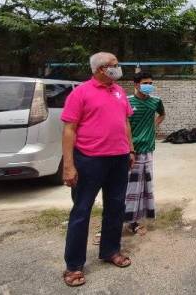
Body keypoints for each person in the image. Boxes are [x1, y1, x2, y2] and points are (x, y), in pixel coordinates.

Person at [61, 52, 135, 287]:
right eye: (114, 65)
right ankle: (73, 266)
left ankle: (110, 251)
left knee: (115, 207)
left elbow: (125, 122)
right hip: (90, 161)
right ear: (101, 69)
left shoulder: (119, 91)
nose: (118, 68)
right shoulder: (80, 93)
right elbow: (69, 129)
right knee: (81, 211)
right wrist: (69, 165)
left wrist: (130, 150)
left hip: (119, 160)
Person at [124, 72, 165, 235]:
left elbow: (162, 115)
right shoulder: (127, 102)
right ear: (136, 84)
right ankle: (125, 220)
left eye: (150, 82)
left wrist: (153, 126)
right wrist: (130, 149)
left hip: (148, 150)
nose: (149, 85)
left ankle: (137, 219)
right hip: (131, 151)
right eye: (145, 82)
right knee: (130, 187)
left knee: (145, 187)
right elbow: (123, 125)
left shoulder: (156, 102)